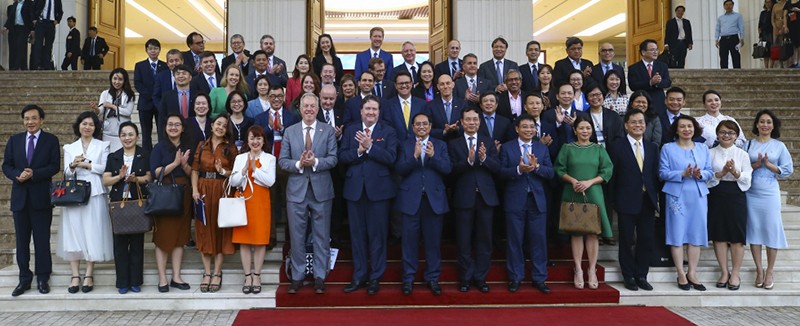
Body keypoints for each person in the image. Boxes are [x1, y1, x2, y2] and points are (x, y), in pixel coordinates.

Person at [279, 93, 338, 294]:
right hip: (296, 191)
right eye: (306, 106)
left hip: (321, 190)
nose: (310, 109)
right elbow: (282, 161)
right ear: (300, 108)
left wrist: (315, 162)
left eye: (313, 106)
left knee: (322, 235)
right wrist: (299, 164)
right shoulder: (290, 131)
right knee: (296, 236)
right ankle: (297, 276)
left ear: (318, 108)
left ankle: (320, 276)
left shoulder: (328, 130)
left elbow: (333, 159)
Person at [339, 95, 398, 295]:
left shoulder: (388, 131)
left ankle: (375, 278)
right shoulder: (350, 130)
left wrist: (370, 147)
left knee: (377, 237)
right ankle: (359, 276)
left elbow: (391, 158)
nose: (370, 112)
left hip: (379, 193)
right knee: (357, 237)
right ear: (361, 111)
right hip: (355, 192)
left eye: (374, 109)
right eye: (367, 109)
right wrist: (358, 150)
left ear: (379, 112)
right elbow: (342, 157)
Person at [2, 105, 60, 296]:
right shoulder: (14, 140)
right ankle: (24, 279)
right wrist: (17, 175)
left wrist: (34, 173)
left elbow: (54, 166)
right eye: (27, 118)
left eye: (34, 118)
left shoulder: (51, 140)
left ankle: (43, 278)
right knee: (22, 242)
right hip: (20, 199)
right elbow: (6, 165)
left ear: (41, 120)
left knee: (42, 241)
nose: (30, 122)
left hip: (41, 198)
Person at [396, 112, 452, 296]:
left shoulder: (441, 144)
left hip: (433, 201)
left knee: (433, 242)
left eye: (425, 124)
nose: (421, 127)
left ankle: (433, 278)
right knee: (409, 242)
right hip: (410, 200)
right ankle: (408, 278)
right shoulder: (405, 144)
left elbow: (447, 169)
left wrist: (433, 156)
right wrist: (414, 157)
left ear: (430, 127)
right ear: (412, 127)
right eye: (417, 124)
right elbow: (399, 169)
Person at [555, 114, 613, 290]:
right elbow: (558, 168)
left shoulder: (598, 149)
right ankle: (579, 269)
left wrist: (589, 181)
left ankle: (592, 270)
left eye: (588, 128)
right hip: (572, 191)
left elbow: (607, 170)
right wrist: (573, 180)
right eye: (581, 128)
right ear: (575, 130)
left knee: (592, 232)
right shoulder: (567, 148)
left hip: (593, 191)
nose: (585, 131)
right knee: (576, 231)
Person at [58, 111, 113, 294]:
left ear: (95, 127)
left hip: (95, 191)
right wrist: (73, 165)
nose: (87, 127)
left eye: (91, 124)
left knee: (92, 231)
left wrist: (87, 165)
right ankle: (75, 274)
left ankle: (89, 273)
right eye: (84, 124)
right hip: (74, 194)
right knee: (74, 233)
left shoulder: (103, 145)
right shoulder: (69, 147)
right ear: (78, 126)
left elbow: (105, 168)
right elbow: (66, 173)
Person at [498, 113, 554, 294]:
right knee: (515, 240)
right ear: (517, 129)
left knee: (539, 241)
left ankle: (539, 278)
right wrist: (518, 169)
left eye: (532, 127)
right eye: (525, 127)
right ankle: (515, 277)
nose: (529, 130)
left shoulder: (541, 148)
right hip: (515, 200)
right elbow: (500, 172)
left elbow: (551, 173)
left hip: (537, 201)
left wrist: (537, 167)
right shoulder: (507, 148)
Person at [448, 107, 500, 293]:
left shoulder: (488, 142)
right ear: (462, 122)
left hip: (486, 197)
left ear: (479, 122)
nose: (472, 122)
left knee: (484, 240)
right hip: (464, 197)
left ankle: (480, 277)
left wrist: (484, 158)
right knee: (463, 240)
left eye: (475, 120)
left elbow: (497, 168)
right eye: (468, 119)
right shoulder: (454, 144)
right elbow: (451, 170)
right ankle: (466, 277)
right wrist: (469, 161)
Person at [659, 115, 713, 291]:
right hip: (676, 195)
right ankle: (681, 273)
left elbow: (710, 172)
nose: (686, 129)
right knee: (677, 234)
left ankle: (692, 272)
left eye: (689, 126)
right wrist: (681, 174)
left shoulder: (703, 148)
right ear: (676, 129)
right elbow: (662, 173)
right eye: (682, 126)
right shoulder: (667, 148)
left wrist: (700, 174)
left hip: (698, 195)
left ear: (694, 129)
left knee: (695, 235)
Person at [607, 109, 659, 292]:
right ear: (626, 125)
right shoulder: (616, 146)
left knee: (646, 240)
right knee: (627, 240)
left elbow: (654, 175)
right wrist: (612, 200)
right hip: (625, 201)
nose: (638, 125)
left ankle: (641, 275)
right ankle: (628, 275)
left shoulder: (652, 147)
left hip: (647, 201)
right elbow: (612, 176)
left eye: (641, 122)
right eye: (634, 122)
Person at [102, 122, 152, 294]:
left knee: (137, 245)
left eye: (131, 134)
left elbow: (149, 177)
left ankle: (136, 281)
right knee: (120, 246)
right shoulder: (114, 156)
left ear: (137, 136)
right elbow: (105, 180)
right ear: (120, 137)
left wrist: (135, 179)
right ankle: (122, 282)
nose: (127, 138)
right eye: (123, 134)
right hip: (119, 204)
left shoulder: (144, 154)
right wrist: (120, 177)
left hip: (138, 203)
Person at [746, 109, 793, 290]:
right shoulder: (748, 144)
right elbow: (743, 167)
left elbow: (787, 169)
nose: (765, 125)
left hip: (770, 192)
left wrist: (770, 166)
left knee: (772, 230)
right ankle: (759, 270)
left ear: (773, 126)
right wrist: (756, 165)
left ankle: (770, 271)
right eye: (762, 121)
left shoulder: (779, 146)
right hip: (751, 192)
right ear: (756, 124)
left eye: (769, 122)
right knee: (755, 231)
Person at [191, 114, 238, 293]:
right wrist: (194, 190)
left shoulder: (230, 148)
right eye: (218, 124)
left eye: (224, 126)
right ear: (211, 126)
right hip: (202, 189)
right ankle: (207, 272)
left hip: (221, 189)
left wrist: (223, 171)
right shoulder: (202, 145)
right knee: (203, 230)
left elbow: (236, 173)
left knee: (219, 231)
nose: (220, 127)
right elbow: (195, 169)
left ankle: (217, 273)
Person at [149, 113, 193, 293]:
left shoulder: (188, 147)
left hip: (183, 193)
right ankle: (162, 278)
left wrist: (183, 165)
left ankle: (176, 276)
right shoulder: (159, 148)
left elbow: (193, 173)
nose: (173, 127)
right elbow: (155, 171)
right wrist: (175, 164)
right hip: (165, 194)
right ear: (165, 127)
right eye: (170, 124)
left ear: (183, 128)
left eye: (177, 124)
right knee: (163, 238)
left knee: (180, 238)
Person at [707, 120, 752, 291]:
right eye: (723, 132)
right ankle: (724, 272)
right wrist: (722, 173)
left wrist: (735, 172)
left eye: (731, 133)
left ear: (736, 136)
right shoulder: (710, 152)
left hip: (736, 194)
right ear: (717, 135)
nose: (727, 136)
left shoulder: (742, 154)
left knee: (736, 235)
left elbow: (748, 179)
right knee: (719, 235)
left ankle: (735, 273)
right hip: (717, 193)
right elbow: (708, 175)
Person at [230, 125, 275, 295]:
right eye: (252, 138)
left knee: (260, 240)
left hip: (261, 202)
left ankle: (257, 275)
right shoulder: (240, 157)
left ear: (263, 141)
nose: (255, 141)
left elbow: (270, 181)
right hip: (243, 202)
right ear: (247, 140)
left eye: (258, 138)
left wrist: (255, 170)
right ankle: (247, 275)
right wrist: (243, 171)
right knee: (245, 240)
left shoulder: (270, 158)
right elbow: (233, 182)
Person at [133, 39, 168, 152]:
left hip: (160, 103)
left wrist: (157, 97)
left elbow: (165, 83)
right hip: (145, 103)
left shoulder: (165, 65)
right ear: (146, 50)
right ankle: (147, 156)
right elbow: (138, 83)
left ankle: (162, 152)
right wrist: (151, 95)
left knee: (162, 131)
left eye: (156, 48)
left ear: (159, 50)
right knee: (146, 132)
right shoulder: (140, 65)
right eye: (150, 48)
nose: (153, 51)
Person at [381, 71, 429, 142]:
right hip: (396, 147)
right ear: (395, 86)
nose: (404, 86)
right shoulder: (388, 105)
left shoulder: (422, 104)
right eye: (401, 83)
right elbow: (387, 127)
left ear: (411, 84)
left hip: (418, 145)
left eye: (407, 83)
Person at [628, 39, 672, 115]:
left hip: (658, 103)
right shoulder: (633, 68)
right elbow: (633, 86)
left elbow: (668, 82)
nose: (655, 52)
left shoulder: (662, 66)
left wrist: (659, 82)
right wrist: (650, 82)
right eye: (652, 50)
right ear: (643, 52)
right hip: (642, 103)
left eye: (656, 49)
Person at [96, 68, 134, 152]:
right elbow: (101, 110)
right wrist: (96, 108)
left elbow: (127, 112)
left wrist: (112, 106)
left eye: (120, 79)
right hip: (108, 131)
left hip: (123, 131)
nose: (117, 82)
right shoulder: (105, 93)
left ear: (124, 81)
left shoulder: (129, 94)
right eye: (115, 79)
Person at [153, 49, 184, 141]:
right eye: (171, 61)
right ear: (167, 63)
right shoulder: (161, 76)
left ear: (182, 61)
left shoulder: (189, 75)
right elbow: (156, 96)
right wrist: (162, 108)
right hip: (166, 117)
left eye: (177, 60)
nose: (174, 63)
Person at [428, 74, 466, 141]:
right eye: (442, 84)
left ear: (453, 85)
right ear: (438, 87)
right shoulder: (431, 106)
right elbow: (428, 129)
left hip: (459, 143)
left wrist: (457, 128)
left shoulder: (463, 104)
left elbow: (468, 125)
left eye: (448, 83)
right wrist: (444, 131)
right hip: (440, 144)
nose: (445, 86)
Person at [31, 0, 62, 70]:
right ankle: (37, 65)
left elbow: (60, 11)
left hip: (51, 24)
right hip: (41, 22)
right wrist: (34, 19)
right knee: (38, 44)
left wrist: (57, 20)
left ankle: (47, 65)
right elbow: (33, 8)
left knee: (49, 45)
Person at [3, 0, 33, 70]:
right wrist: (6, 27)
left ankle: (17, 66)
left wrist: (32, 29)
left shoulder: (29, 3)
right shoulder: (15, 4)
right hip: (14, 28)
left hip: (23, 28)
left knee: (20, 46)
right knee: (14, 46)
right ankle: (16, 66)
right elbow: (11, 17)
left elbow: (31, 16)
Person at [715, 0, 745, 69]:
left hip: (733, 38)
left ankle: (737, 73)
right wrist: (716, 39)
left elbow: (741, 27)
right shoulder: (720, 18)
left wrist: (741, 38)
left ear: (732, 6)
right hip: (723, 39)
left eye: (730, 4)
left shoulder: (738, 16)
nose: (728, 6)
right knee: (723, 57)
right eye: (727, 5)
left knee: (735, 56)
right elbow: (718, 29)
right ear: (724, 6)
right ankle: (724, 74)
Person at [784, 0, 800, 67]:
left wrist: (799, 10)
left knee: (799, 45)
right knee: (792, 45)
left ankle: (798, 62)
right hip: (790, 26)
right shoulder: (788, 3)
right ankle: (793, 62)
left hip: (798, 25)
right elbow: (784, 15)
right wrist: (785, 26)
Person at [759, 1, 775, 68]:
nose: (768, 4)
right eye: (766, 2)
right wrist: (760, 34)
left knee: (772, 50)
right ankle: (766, 67)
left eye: (769, 2)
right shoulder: (763, 13)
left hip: (771, 33)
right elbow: (759, 24)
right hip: (764, 33)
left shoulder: (773, 12)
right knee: (765, 51)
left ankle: (771, 67)